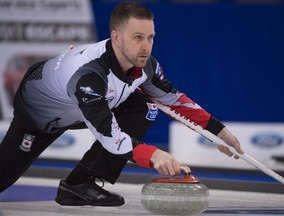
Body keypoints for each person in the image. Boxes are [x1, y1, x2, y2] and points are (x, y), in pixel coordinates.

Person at [0, 2, 244, 207]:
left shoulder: (146, 65)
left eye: (150, 37)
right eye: (138, 37)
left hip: (80, 109)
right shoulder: (89, 76)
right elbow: (108, 134)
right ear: (116, 37)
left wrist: (219, 132)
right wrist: (153, 155)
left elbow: (174, 100)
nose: (146, 46)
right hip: (37, 118)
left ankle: (80, 184)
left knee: (146, 106)